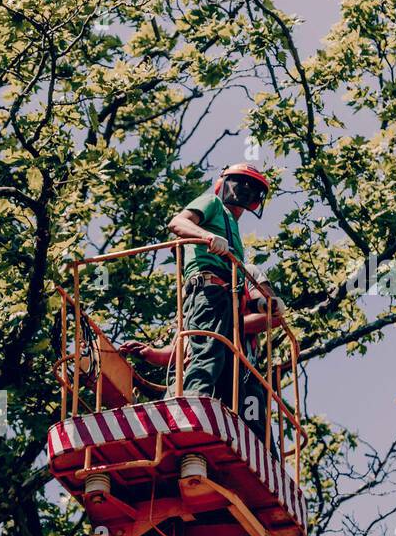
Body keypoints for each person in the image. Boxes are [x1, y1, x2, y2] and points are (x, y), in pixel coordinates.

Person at [118, 163, 285, 446]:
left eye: (251, 190)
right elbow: (177, 223)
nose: (244, 193)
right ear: (225, 184)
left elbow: (268, 313)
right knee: (207, 354)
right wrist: (206, 237)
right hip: (210, 291)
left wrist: (263, 309)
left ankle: (259, 452)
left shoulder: (238, 256)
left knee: (236, 388)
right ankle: (189, 412)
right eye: (240, 185)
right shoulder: (211, 204)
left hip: (237, 351)